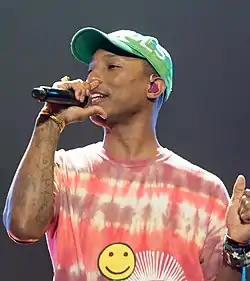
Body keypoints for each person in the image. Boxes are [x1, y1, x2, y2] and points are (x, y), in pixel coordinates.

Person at [3, 27, 250, 281]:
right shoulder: (64, 170)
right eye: (91, 70)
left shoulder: (203, 190)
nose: (92, 80)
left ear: (153, 87)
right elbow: (22, 227)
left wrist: (237, 246)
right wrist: (50, 122)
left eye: (112, 67)